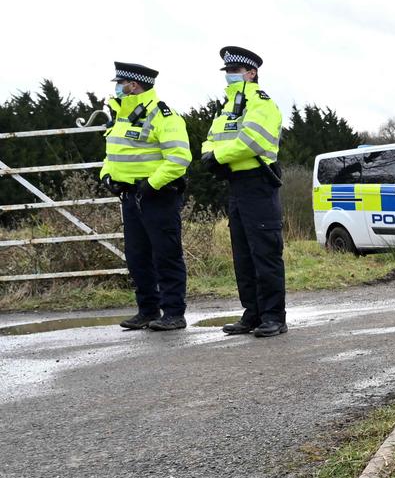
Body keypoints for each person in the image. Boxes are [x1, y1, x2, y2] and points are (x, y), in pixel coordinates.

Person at [202, 46, 287, 337]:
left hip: (258, 183)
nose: (230, 76)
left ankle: (274, 316)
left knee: (265, 252)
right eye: (227, 72)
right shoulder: (227, 107)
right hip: (236, 184)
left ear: (251, 73)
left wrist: (218, 157)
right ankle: (253, 313)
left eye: (235, 71)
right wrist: (212, 158)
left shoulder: (261, 103)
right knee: (243, 254)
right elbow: (210, 140)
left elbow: (252, 140)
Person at [100, 62, 191, 331]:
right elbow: (112, 154)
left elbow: (179, 158)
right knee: (137, 256)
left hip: (158, 196)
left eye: (121, 84)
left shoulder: (163, 115)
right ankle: (148, 310)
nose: (117, 88)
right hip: (130, 197)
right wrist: (107, 175)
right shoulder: (122, 115)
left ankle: (174, 312)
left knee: (166, 255)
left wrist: (151, 185)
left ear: (134, 85)